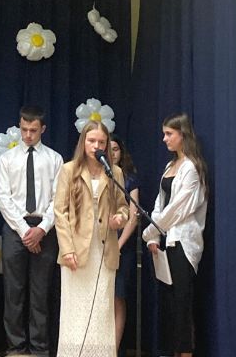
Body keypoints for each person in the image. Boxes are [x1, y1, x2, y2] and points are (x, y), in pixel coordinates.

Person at [54, 120, 129, 357]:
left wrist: (120, 218)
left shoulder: (114, 172)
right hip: (76, 249)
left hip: (104, 251)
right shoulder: (69, 170)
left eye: (101, 142)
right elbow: (60, 212)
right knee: (76, 309)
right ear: (83, 142)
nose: (96, 146)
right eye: (92, 141)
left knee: (101, 310)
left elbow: (124, 207)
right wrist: (67, 249)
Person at [0, 105, 63, 357]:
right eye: (24, 129)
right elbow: (3, 198)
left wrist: (42, 229)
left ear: (42, 129)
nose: (27, 135)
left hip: (45, 228)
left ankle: (40, 348)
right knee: (13, 291)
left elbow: (59, 199)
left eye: (33, 130)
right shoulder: (7, 159)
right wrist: (26, 231)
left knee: (40, 292)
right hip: (16, 228)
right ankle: (16, 347)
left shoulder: (54, 159)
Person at [142, 113, 208, 357]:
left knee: (181, 303)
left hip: (183, 244)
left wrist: (150, 230)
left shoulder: (191, 168)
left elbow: (177, 210)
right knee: (168, 305)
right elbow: (160, 204)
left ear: (183, 134)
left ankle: (185, 353)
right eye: (164, 134)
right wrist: (153, 238)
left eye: (169, 134)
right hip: (165, 240)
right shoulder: (170, 167)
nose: (164, 139)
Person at [110, 137, 140, 357]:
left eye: (116, 149)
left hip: (123, 246)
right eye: (108, 149)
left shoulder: (129, 178)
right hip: (100, 245)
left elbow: (133, 216)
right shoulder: (97, 176)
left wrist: (119, 245)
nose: (112, 153)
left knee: (118, 298)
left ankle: (114, 349)